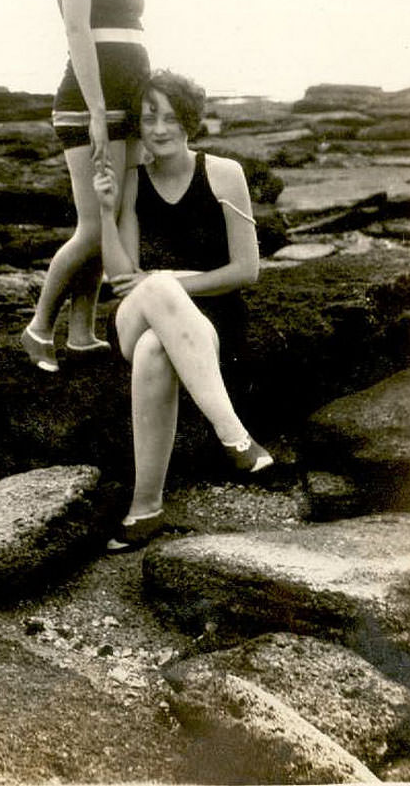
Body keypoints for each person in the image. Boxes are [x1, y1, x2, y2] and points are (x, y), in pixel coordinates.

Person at [93, 70, 273, 552]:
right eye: (149, 117)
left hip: (208, 323)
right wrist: (106, 211)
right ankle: (233, 435)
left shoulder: (224, 174)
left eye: (171, 118)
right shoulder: (131, 181)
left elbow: (247, 269)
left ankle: (145, 508)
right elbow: (119, 279)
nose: (159, 128)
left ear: (190, 121)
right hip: (137, 316)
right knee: (154, 302)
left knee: (157, 347)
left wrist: (169, 281)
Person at [21, 0, 153, 372]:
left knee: (113, 219)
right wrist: (98, 111)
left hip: (126, 96)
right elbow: (77, 28)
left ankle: (81, 333)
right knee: (95, 227)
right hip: (88, 101)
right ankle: (37, 328)